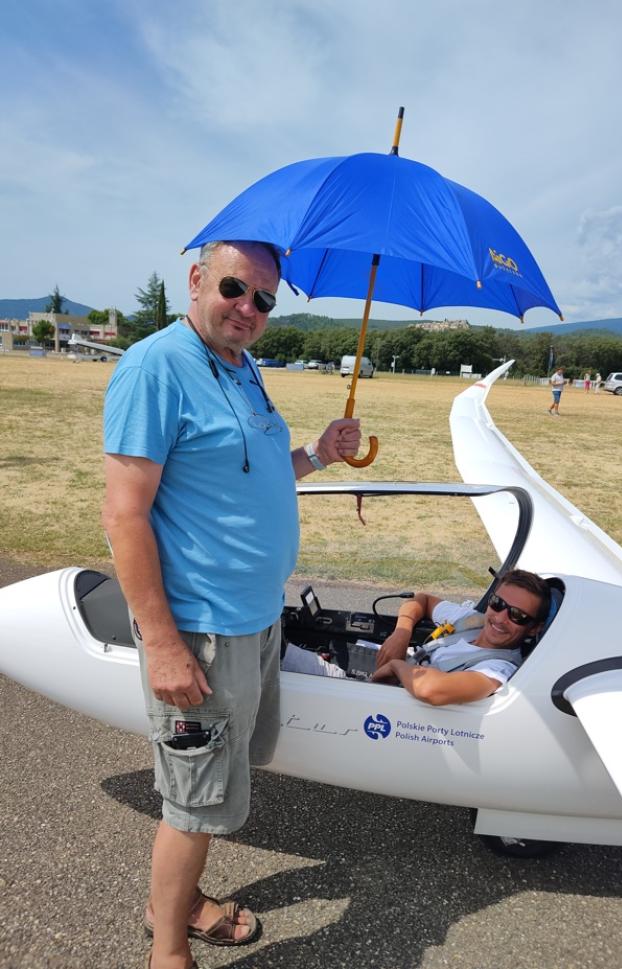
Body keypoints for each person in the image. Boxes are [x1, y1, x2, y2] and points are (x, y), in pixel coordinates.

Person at [103, 240, 361, 969]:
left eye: (264, 300)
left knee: (217, 781)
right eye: (234, 289)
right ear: (196, 280)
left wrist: (318, 453)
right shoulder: (155, 367)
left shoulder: (243, 366)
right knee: (194, 801)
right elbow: (124, 514)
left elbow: (250, 474)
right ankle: (168, 949)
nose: (248, 308)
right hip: (201, 627)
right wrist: (162, 642)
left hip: (256, 618)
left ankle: (179, 902)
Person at [283, 570, 549, 706]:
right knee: (287, 649)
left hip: (380, 700)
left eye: (517, 616)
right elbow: (421, 600)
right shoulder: (472, 621)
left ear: (534, 628)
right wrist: (402, 632)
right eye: (498, 603)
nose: (500, 618)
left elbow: (431, 690)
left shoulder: (498, 668)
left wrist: (396, 666)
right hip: (384, 674)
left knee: (278, 660)